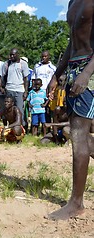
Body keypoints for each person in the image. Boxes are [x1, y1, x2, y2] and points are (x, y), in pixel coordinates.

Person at [46, 0, 94, 220]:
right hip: (75, 66)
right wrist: (57, 73)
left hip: (89, 69)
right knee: (79, 134)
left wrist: (86, 75)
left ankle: (76, 203)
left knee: (78, 133)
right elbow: (72, 42)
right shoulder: (73, 2)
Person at [0, 48, 30, 126]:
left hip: (19, 90)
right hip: (9, 89)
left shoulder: (23, 64)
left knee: (20, 110)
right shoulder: (6, 64)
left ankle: (22, 127)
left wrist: (26, 91)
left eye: (13, 54)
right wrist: (2, 87)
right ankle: (9, 127)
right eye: (11, 55)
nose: (12, 56)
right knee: (8, 110)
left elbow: (26, 78)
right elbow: (2, 76)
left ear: (18, 54)